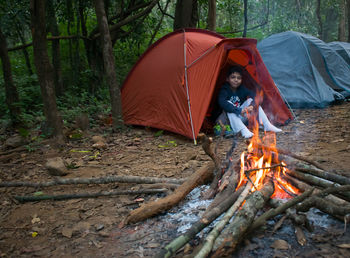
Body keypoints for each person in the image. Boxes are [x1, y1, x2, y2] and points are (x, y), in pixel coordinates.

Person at [216, 65, 282, 138]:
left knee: (251, 100)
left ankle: (267, 125)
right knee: (229, 104)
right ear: (227, 79)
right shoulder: (224, 89)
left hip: (240, 117)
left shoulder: (242, 89)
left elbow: (256, 96)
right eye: (233, 77)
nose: (236, 80)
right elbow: (222, 102)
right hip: (228, 121)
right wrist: (239, 110)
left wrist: (251, 106)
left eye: (239, 78)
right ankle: (243, 130)